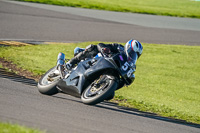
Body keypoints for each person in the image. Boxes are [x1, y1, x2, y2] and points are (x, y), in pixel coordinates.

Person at [65, 39, 143, 72]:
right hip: (98, 58)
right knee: (92, 47)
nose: (132, 56)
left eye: (135, 55)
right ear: (128, 48)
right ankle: (70, 63)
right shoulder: (119, 47)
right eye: (132, 53)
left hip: (106, 68)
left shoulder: (129, 64)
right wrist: (104, 48)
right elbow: (100, 44)